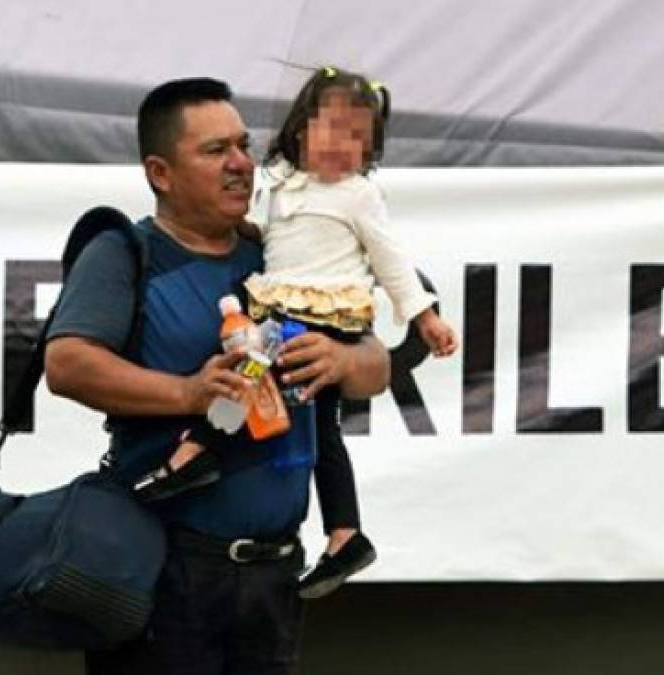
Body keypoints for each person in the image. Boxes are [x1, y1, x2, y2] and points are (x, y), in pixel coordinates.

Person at [44, 77, 390, 674]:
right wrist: (187, 391)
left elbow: (376, 365)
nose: (240, 165)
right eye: (214, 151)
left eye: (243, 145)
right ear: (160, 172)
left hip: (274, 576)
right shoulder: (125, 251)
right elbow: (67, 364)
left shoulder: (282, 253)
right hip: (164, 570)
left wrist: (342, 361)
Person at [136, 66, 459, 600]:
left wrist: (424, 318)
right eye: (332, 129)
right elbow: (286, 238)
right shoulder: (284, 179)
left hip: (325, 314)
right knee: (318, 428)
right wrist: (246, 231)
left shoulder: (358, 195)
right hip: (283, 303)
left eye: (358, 137)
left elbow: (392, 262)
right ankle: (345, 534)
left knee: (248, 372)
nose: (341, 146)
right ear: (301, 129)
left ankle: (195, 452)